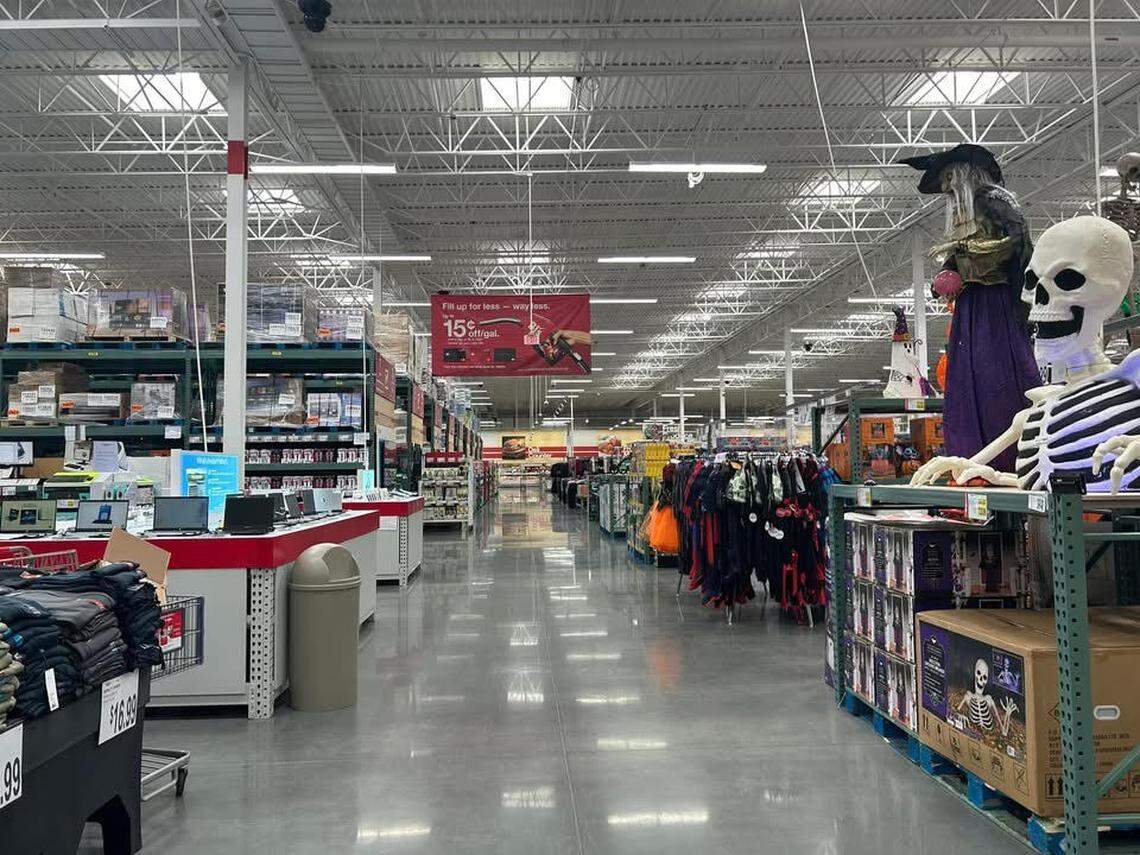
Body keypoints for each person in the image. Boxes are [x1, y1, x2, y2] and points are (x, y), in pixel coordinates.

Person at [899, 144, 1040, 474]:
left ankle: (1003, 458)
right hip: (972, 304)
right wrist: (948, 272)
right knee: (966, 379)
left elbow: (1017, 240)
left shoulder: (993, 200)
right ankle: (970, 457)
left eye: (951, 177)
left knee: (996, 375)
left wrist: (970, 252)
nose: (948, 186)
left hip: (996, 302)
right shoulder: (968, 211)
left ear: (966, 175)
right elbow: (957, 258)